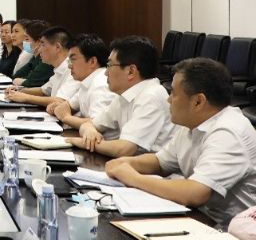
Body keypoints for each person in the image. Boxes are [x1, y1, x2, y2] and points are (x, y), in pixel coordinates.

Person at [106, 58, 256, 227]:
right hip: (204, 219)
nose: (169, 100)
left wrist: (133, 178)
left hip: (233, 233)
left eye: (174, 93)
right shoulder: (193, 123)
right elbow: (160, 162)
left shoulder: (229, 132)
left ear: (198, 101)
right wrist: (126, 163)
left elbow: (195, 193)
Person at [71, 35, 174, 157]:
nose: (105, 73)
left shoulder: (151, 96)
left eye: (109, 66)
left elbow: (124, 149)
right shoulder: (124, 96)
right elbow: (89, 124)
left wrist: (84, 143)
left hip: (154, 168)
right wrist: (89, 132)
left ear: (131, 71)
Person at [47, 34, 117, 129]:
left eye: (73, 59)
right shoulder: (87, 81)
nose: (69, 66)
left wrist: (66, 118)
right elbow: (68, 106)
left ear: (92, 61)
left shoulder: (101, 84)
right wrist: (58, 107)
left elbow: (97, 125)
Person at [6, 26, 79, 107]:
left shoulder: (73, 69)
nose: (39, 50)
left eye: (43, 45)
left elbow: (60, 100)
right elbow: (43, 90)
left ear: (57, 47)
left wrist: (26, 97)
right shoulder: (59, 68)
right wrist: (19, 90)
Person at [11, 19, 54, 88]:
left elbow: (30, 82)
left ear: (39, 41)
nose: (24, 42)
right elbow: (16, 76)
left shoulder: (47, 60)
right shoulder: (35, 57)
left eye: (27, 39)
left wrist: (21, 80)